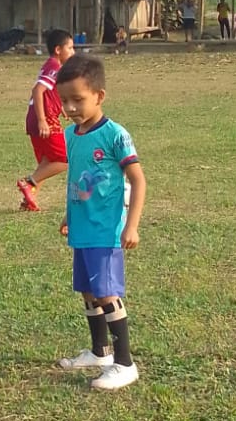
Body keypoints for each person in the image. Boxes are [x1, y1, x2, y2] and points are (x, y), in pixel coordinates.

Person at [53, 54, 146, 392]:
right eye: (64, 100)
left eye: (78, 99)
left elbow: (138, 180)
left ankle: (125, 364)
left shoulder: (115, 135)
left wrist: (131, 226)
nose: (70, 108)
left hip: (105, 230)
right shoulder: (71, 135)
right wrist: (70, 213)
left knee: (107, 293)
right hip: (82, 227)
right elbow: (78, 180)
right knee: (89, 291)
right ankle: (99, 352)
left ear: (99, 96)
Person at [17, 28, 75, 212]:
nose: (73, 52)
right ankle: (28, 183)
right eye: (70, 48)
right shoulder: (54, 67)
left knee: (47, 161)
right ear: (58, 50)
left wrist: (61, 108)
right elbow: (38, 90)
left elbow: (49, 93)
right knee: (65, 159)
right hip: (43, 119)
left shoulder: (51, 66)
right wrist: (43, 120)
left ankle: (29, 199)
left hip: (35, 118)